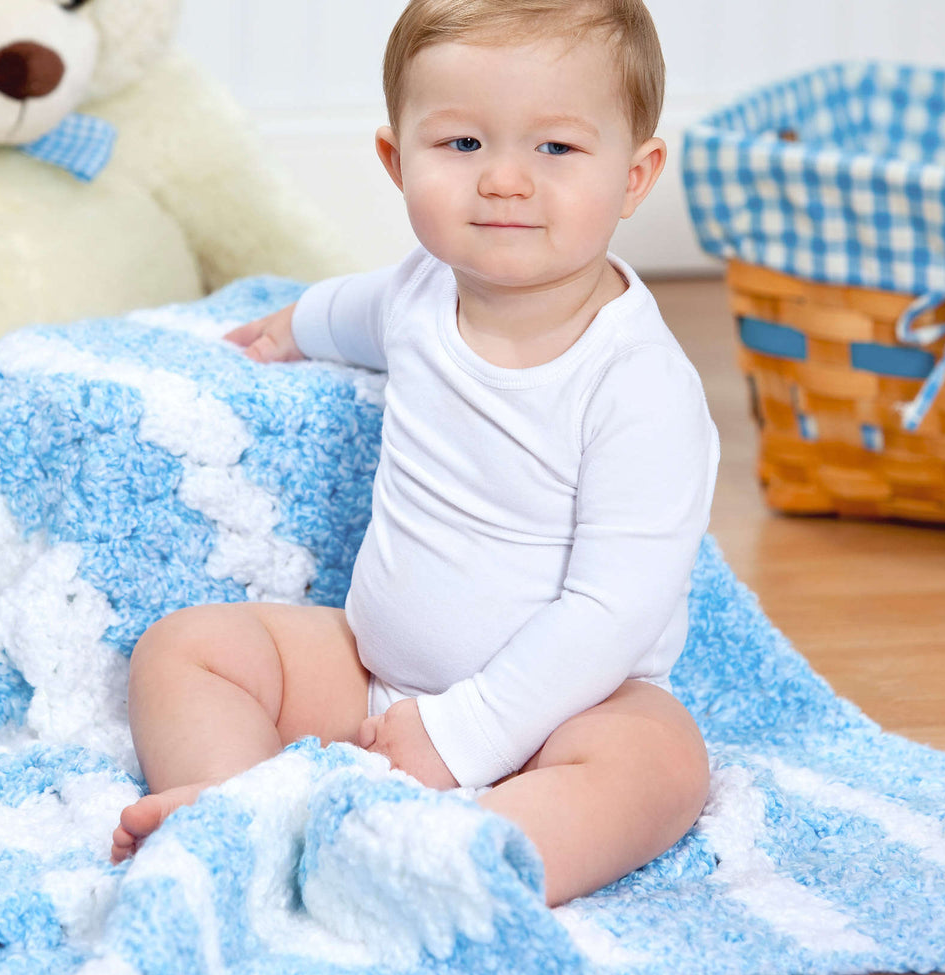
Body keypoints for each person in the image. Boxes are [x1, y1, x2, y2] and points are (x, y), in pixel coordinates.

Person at [111, 0, 720, 906]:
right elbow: (357, 308)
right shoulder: (422, 293)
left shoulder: (639, 385)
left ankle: (458, 865)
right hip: (375, 677)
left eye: (556, 149)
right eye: (463, 145)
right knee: (186, 647)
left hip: (567, 709)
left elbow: (614, 608)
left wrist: (466, 734)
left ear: (635, 177)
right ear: (397, 163)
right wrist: (291, 326)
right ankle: (241, 814)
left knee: (660, 763)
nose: (505, 181)